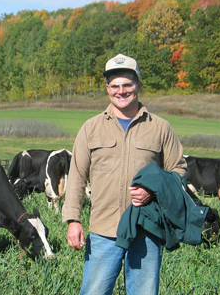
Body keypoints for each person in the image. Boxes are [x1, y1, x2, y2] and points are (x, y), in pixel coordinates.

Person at [62, 54, 187, 295]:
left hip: (148, 232)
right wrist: (73, 220)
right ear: (107, 88)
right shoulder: (91, 127)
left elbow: (178, 171)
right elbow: (77, 175)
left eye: (127, 84)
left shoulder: (160, 127)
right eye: (115, 86)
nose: (121, 91)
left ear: (138, 85)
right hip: (103, 232)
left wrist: (153, 190)